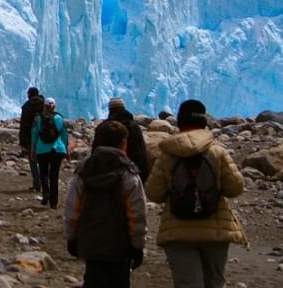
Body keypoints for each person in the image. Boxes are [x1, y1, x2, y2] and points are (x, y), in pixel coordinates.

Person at [145, 99, 247, 288]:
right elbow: (235, 188)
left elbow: (153, 193)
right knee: (214, 282)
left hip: (178, 231)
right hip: (215, 231)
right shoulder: (217, 152)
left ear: (180, 123)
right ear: (204, 122)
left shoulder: (167, 154)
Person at [65, 120, 147, 288]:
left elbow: (72, 208)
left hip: (91, 243)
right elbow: (137, 214)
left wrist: (71, 237)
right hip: (120, 245)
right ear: (124, 143)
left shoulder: (85, 170)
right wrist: (138, 246)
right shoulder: (128, 172)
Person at [92, 97, 150, 182]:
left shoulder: (103, 128)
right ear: (123, 108)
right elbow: (141, 154)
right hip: (131, 174)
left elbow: (95, 151)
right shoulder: (134, 127)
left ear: (110, 110)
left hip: (106, 176)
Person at [31, 97, 69, 208]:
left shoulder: (38, 119)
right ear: (54, 106)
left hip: (42, 150)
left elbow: (34, 134)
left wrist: (33, 149)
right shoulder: (59, 118)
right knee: (54, 175)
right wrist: (66, 150)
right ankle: (54, 202)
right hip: (57, 150)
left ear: (44, 106)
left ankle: (46, 193)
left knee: (43, 173)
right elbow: (64, 135)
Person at [20, 87, 44, 191]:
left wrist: (22, 141)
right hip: (45, 136)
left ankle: (37, 184)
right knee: (44, 160)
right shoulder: (44, 104)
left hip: (31, 138)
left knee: (33, 161)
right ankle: (46, 183)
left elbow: (23, 125)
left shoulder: (26, 106)